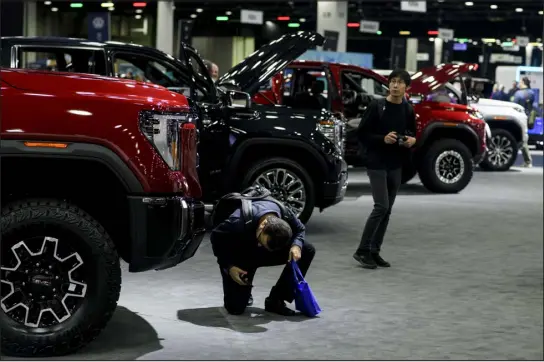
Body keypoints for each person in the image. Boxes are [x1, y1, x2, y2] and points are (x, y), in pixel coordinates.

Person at [353, 69, 417, 269]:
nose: (395, 86)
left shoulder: (408, 109)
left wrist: (411, 140)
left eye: (400, 82)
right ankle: (362, 250)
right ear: (388, 84)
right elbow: (362, 134)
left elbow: (412, 133)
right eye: (393, 82)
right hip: (376, 162)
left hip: (395, 163)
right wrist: (383, 138)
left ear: (407, 87)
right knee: (381, 206)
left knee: (387, 210)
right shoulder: (377, 106)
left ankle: (374, 251)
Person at [210, 198, 316, 316]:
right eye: (262, 241)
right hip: (242, 254)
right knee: (235, 308)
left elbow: (300, 228)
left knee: (306, 249)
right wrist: (229, 266)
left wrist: (296, 246)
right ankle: (244, 289)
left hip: (262, 250)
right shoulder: (237, 222)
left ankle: (276, 299)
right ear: (262, 225)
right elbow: (216, 238)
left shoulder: (285, 213)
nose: (261, 246)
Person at [513, 77, 535, 167]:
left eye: (520, 82)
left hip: (519, 117)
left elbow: (514, 105)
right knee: (523, 137)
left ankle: (528, 161)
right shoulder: (532, 93)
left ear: (523, 82)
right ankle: (527, 161)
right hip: (527, 117)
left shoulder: (518, 93)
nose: (519, 83)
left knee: (522, 139)